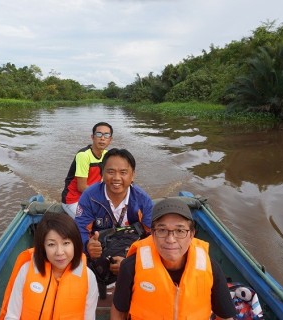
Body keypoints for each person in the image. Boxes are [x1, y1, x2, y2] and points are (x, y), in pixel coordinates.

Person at [110, 198, 237, 320]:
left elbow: (225, 317)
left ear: (192, 234)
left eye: (180, 231)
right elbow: (119, 312)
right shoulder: (131, 267)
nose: (171, 239)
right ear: (153, 234)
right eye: (162, 230)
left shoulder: (210, 268)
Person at [0, 213, 99, 320]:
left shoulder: (88, 277)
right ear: (43, 247)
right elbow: (12, 315)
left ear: (75, 244)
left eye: (66, 243)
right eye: (51, 244)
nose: (60, 252)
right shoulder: (26, 271)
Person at [75, 148, 153, 278]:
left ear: (132, 175)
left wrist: (131, 262)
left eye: (123, 172)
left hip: (130, 248)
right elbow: (80, 230)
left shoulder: (143, 200)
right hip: (99, 248)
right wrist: (87, 246)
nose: (117, 178)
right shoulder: (90, 196)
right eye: (111, 172)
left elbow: (151, 236)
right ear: (102, 174)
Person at [61, 122, 113, 218]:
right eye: (98, 134)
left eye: (106, 135)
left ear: (110, 139)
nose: (102, 138)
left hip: (91, 198)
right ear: (92, 137)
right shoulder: (83, 155)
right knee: (91, 224)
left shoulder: (107, 155)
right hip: (73, 200)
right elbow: (81, 187)